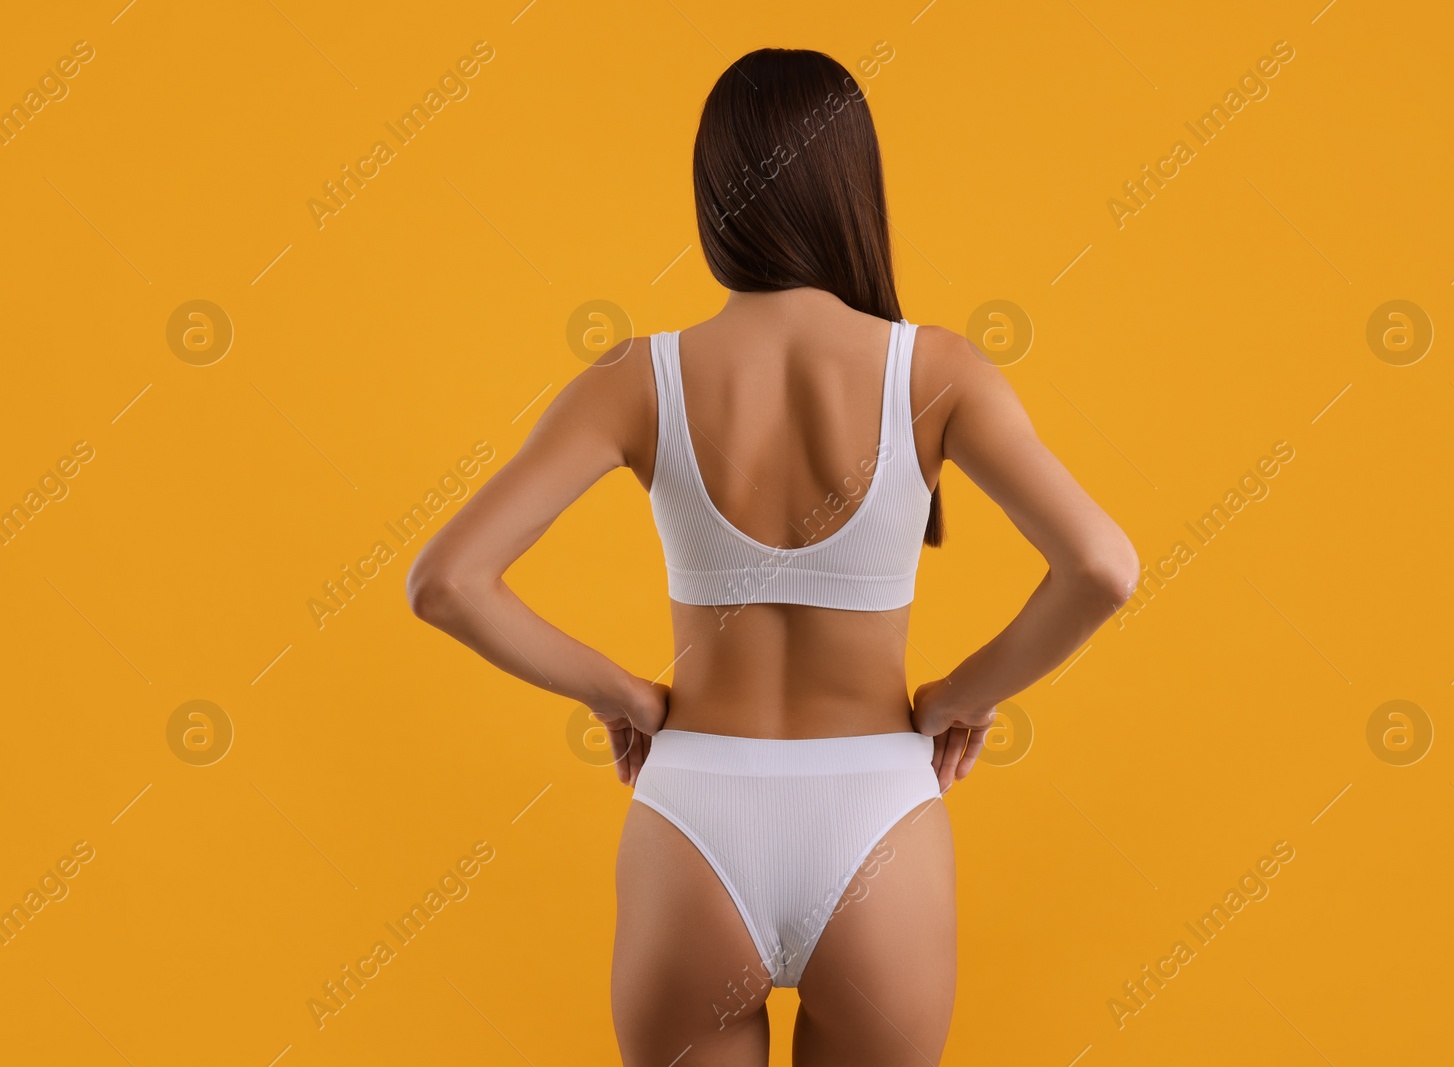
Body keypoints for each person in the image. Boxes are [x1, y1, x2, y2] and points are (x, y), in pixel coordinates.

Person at [407, 46, 1137, 1067]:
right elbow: (1102, 566)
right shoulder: (935, 372)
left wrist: (620, 693)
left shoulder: (637, 377)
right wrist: (962, 694)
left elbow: (446, 581)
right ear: (853, 189)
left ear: (714, 198)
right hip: (878, 809)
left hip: (695, 810)